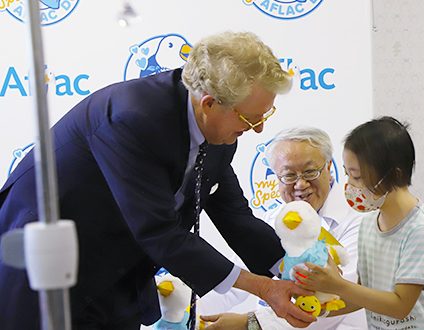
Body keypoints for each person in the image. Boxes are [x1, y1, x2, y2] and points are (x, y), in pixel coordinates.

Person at [0, 31, 315, 329]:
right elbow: (158, 231)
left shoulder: (220, 133)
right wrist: (263, 288)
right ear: (209, 104)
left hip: (118, 278)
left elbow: (235, 217)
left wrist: (298, 271)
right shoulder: (133, 118)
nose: (258, 129)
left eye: (265, 115)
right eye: (251, 118)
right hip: (45, 274)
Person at [295, 117, 424, 329]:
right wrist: (323, 308)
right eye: (346, 173)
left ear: (394, 175)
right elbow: (365, 293)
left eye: (357, 177)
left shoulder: (421, 230)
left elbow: (400, 306)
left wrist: (337, 285)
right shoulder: (368, 224)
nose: (349, 185)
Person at [199, 127, 367, 329]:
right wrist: (188, 310)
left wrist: (250, 324)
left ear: (329, 167)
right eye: (288, 176)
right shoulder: (273, 220)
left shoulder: (359, 220)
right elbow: (236, 282)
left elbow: (336, 302)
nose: (300, 184)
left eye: (309, 172)